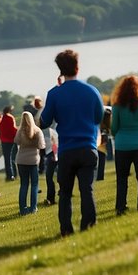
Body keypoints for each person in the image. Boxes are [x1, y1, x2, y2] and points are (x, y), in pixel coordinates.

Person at [39, 49, 104, 238]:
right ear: (78, 66)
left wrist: (56, 95)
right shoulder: (92, 91)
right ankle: (88, 225)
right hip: (88, 147)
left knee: (65, 193)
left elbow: (44, 121)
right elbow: (99, 117)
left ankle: (66, 229)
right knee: (87, 189)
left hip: (67, 150)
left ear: (59, 70)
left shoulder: (55, 94)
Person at [110, 76, 138, 214]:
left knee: (122, 178)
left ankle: (121, 207)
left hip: (123, 145)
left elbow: (114, 128)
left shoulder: (117, 106)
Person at [15, 111, 45, 215]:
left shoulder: (20, 131)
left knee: (24, 185)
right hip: (33, 161)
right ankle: (33, 208)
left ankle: (23, 209)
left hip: (21, 160)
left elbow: (17, 142)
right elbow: (42, 146)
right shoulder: (37, 131)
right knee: (34, 185)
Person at [0, 105, 18, 182]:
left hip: (4, 140)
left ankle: (9, 174)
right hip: (11, 140)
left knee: (7, 158)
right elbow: (13, 129)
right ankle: (13, 174)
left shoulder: (1, 119)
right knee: (12, 158)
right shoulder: (10, 117)